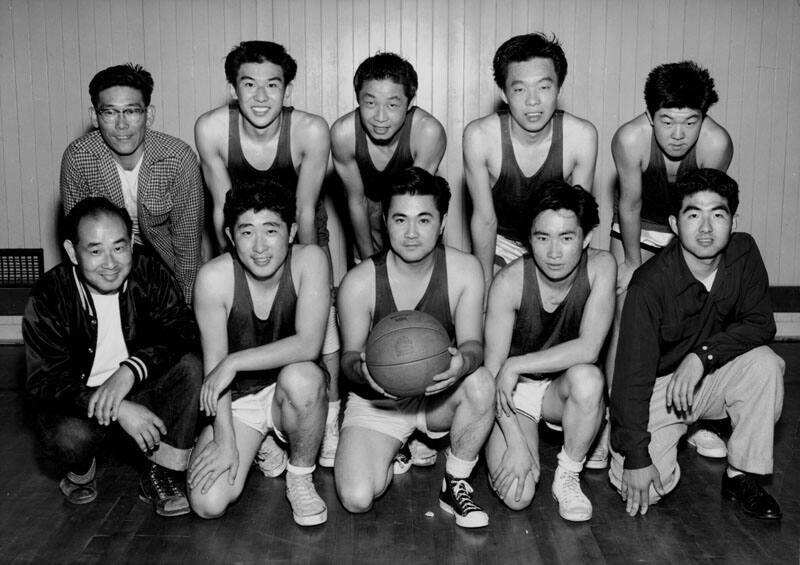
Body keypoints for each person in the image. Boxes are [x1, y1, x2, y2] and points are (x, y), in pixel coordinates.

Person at [195, 41, 340, 467]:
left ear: (288, 91)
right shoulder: (211, 129)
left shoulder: (311, 130)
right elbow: (225, 212)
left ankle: (326, 415)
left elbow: (308, 209)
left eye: (272, 85)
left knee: (320, 317)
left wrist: (307, 273)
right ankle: (264, 419)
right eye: (249, 85)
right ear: (232, 89)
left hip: (299, 229)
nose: (261, 97)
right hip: (244, 230)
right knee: (245, 315)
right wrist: (241, 273)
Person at [609, 168, 784, 520]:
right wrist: (637, 456)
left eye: (718, 215)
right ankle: (615, 433)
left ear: (734, 221)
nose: (706, 228)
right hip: (659, 390)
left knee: (765, 364)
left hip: (709, 376)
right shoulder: (648, 285)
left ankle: (741, 475)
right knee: (651, 489)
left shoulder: (744, 252)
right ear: (674, 223)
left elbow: (761, 324)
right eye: (693, 215)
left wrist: (701, 357)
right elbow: (631, 379)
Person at [335, 167, 495, 528]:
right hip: (379, 399)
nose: (411, 233)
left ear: (441, 224)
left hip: (438, 392)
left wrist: (462, 363)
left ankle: (454, 482)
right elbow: (347, 358)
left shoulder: (465, 270)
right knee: (357, 498)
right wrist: (363, 370)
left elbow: (473, 345)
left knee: (481, 382)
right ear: (384, 222)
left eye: (423, 219)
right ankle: (397, 448)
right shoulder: (359, 282)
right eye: (400, 219)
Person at [23, 197, 202, 517]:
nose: (110, 262)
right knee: (67, 437)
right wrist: (116, 406)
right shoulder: (50, 294)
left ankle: (160, 472)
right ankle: (80, 468)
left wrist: (132, 370)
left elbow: (182, 331)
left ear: (132, 242)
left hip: (141, 388)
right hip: (82, 402)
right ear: (71, 251)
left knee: (189, 367)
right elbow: (44, 381)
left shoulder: (149, 271)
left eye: (119, 247)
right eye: (95, 250)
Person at [602, 61, 735, 464]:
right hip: (637, 229)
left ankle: (695, 419)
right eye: (667, 121)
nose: (678, 135)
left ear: (704, 118)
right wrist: (628, 262)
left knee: (703, 308)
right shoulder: (629, 139)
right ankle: (614, 419)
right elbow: (629, 203)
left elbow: (705, 213)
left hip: (689, 229)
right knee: (625, 307)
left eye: (690, 122)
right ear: (649, 116)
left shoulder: (716, 144)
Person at [188, 180, 330, 526]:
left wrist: (234, 362)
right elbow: (213, 371)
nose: (260, 246)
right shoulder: (212, 278)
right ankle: (262, 446)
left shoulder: (311, 260)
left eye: (271, 230)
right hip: (238, 400)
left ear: (292, 231)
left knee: (304, 377)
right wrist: (224, 439)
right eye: (247, 232)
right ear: (230, 236)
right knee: (209, 502)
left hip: (290, 391)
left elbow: (309, 344)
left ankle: (299, 476)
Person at [483, 181, 615, 522]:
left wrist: (518, 363)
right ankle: (513, 444)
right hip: (513, 394)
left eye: (566, 238)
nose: (554, 252)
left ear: (585, 239)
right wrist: (513, 442)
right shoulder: (508, 283)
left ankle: (568, 474)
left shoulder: (601, 267)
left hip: (561, 386)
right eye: (543, 238)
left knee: (589, 378)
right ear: (529, 239)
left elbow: (590, 347)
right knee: (517, 496)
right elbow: (494, 379)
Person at [464, 32, 598, 290]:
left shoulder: (581, 136)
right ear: (504, 92)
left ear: (559, 87)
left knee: (600, 275)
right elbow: (484, 219)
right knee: (493, 300)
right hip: (501, 243)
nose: (533, 100)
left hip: (554, 242)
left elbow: (578, 219)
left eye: (544, 87)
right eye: (520, 89)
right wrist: (485, 286)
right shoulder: (480, 136)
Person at [61, 63, 204, 303]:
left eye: (132, 111)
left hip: (165, 266)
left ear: (149, 116)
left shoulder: (178, 158)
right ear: (94, 117)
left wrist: (188, 307)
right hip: (107, 266)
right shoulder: (79, 157)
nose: (121, 125)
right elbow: (81, 242)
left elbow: (188, 246)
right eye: (109, 112)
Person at [331, 52, 446, 260]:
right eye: (370, 103)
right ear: (358, 99)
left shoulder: (427, 132)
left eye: (392, 105)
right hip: (367, 225)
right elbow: (357, 202)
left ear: (410, 103)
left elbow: (414, 205)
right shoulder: (343, 134)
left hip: (411, 223)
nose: (380, 117)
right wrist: (369, 264)